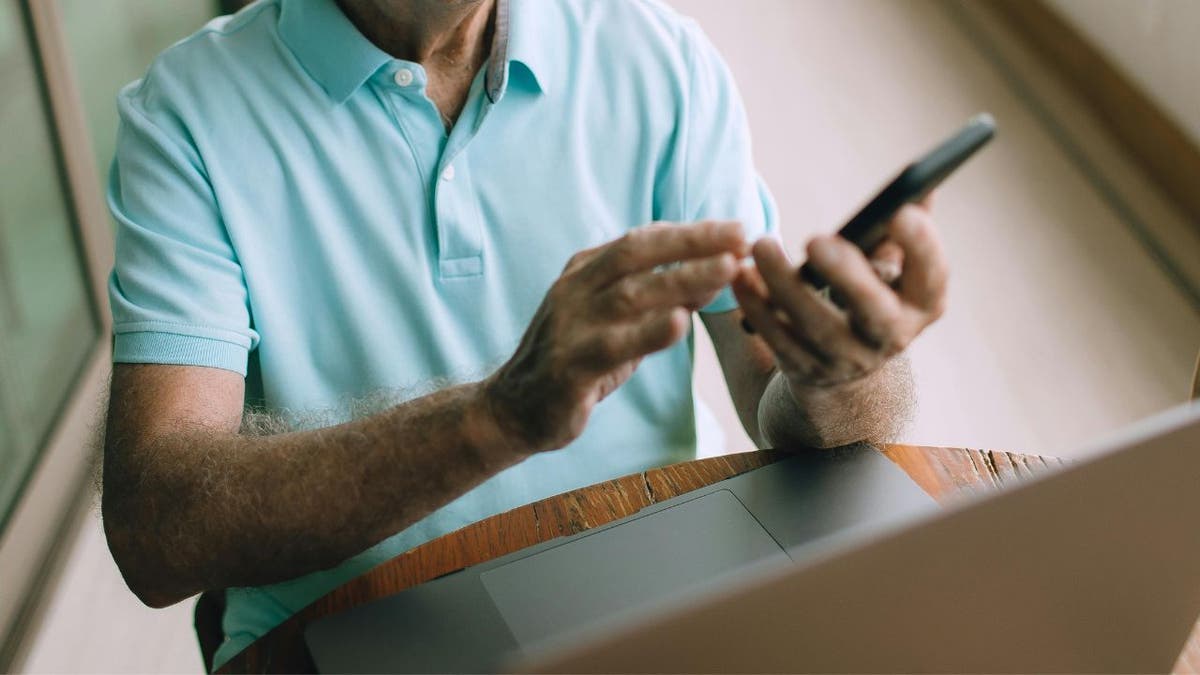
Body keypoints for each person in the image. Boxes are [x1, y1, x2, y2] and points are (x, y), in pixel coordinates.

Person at [100, 0, 947, 668]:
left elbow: (780, 397)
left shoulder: (661, 59)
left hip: (653, 590)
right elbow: (157, 526)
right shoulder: (184, 117)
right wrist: (499, 416)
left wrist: (848, 373)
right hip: (347, 628)